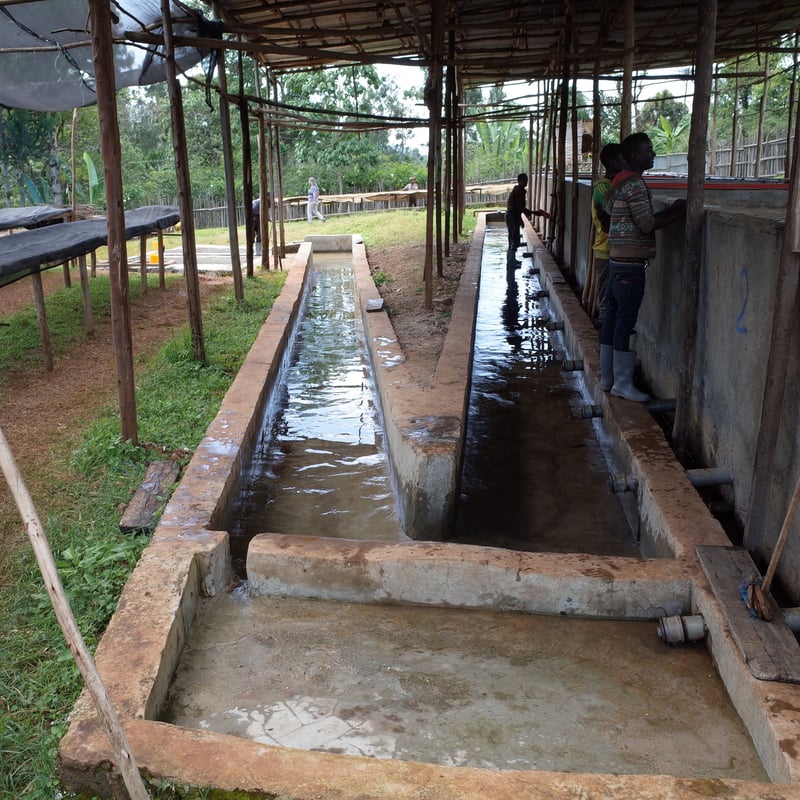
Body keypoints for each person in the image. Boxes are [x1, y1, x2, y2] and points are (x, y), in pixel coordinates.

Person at [599, 132, 686, 401]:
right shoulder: (635, 185)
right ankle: (622, 384)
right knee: (625, 320)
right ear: (635, 155)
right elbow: (646, 224)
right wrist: (677, 210)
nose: (653, 154)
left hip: (616, 261)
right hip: (630, 265)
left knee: (613, 318)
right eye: (648, 150)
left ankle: (608, 378)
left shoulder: (618, 184)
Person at [590, 143, 625, 325]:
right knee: (607, 302)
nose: (625, 162)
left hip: (618, 253)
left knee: (617, 303)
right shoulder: (602, 188)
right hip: (606, 251)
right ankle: (603, 347)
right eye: (622, 159)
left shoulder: (612, 185)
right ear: (612, 162)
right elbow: (616, 211)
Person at [505, 173, 549, 267]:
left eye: (527, 180)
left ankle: (511, 261)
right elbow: (519, 207)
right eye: (524, 180)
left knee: (514, 239)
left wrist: (521, 218)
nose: (526, 182)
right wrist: (533, 213)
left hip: (513, 216)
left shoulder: (520, 190)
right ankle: (511, 261)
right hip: (512, 216)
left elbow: (518, 209)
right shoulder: (519, 191)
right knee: (514, 239)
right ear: (520, 181)